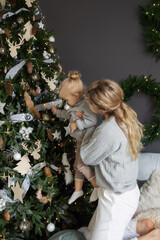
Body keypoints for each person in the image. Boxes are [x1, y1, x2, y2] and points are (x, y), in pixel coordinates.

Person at [79, 79, 144, 240]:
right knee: (91, 234)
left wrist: (85, 128)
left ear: (101, 109)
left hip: (117, 199)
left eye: (90, 101)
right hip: (122, 192)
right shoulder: (122, 118)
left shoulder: (109, 130)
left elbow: (87, 156)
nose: (87, 102)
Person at [51, 71, 99, 204]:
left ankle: (97, 187)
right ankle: (78, 190)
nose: (66, 102)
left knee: (80, 165)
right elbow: (69, 114)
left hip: (86, 140)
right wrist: (58, 112)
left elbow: (92, 121)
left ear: (76, 95)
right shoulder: (76, 105)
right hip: (79, 141)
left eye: (66, 100)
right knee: (77, 166)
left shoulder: (85, 105)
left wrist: (77, 124)